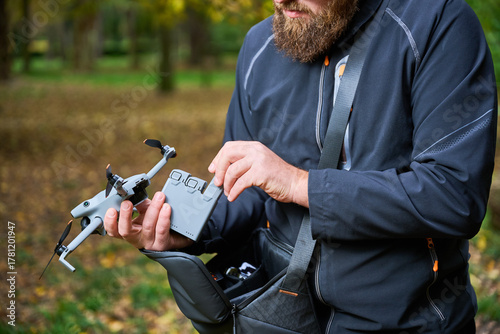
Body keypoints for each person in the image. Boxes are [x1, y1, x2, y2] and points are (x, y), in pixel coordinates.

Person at [104, 0, 498, 332]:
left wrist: (299, 184)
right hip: (282, 316)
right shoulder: (260, 45)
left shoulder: (438, 23)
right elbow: (246, 195)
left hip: (407, 321)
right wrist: (184, 230)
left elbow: (453, 196)